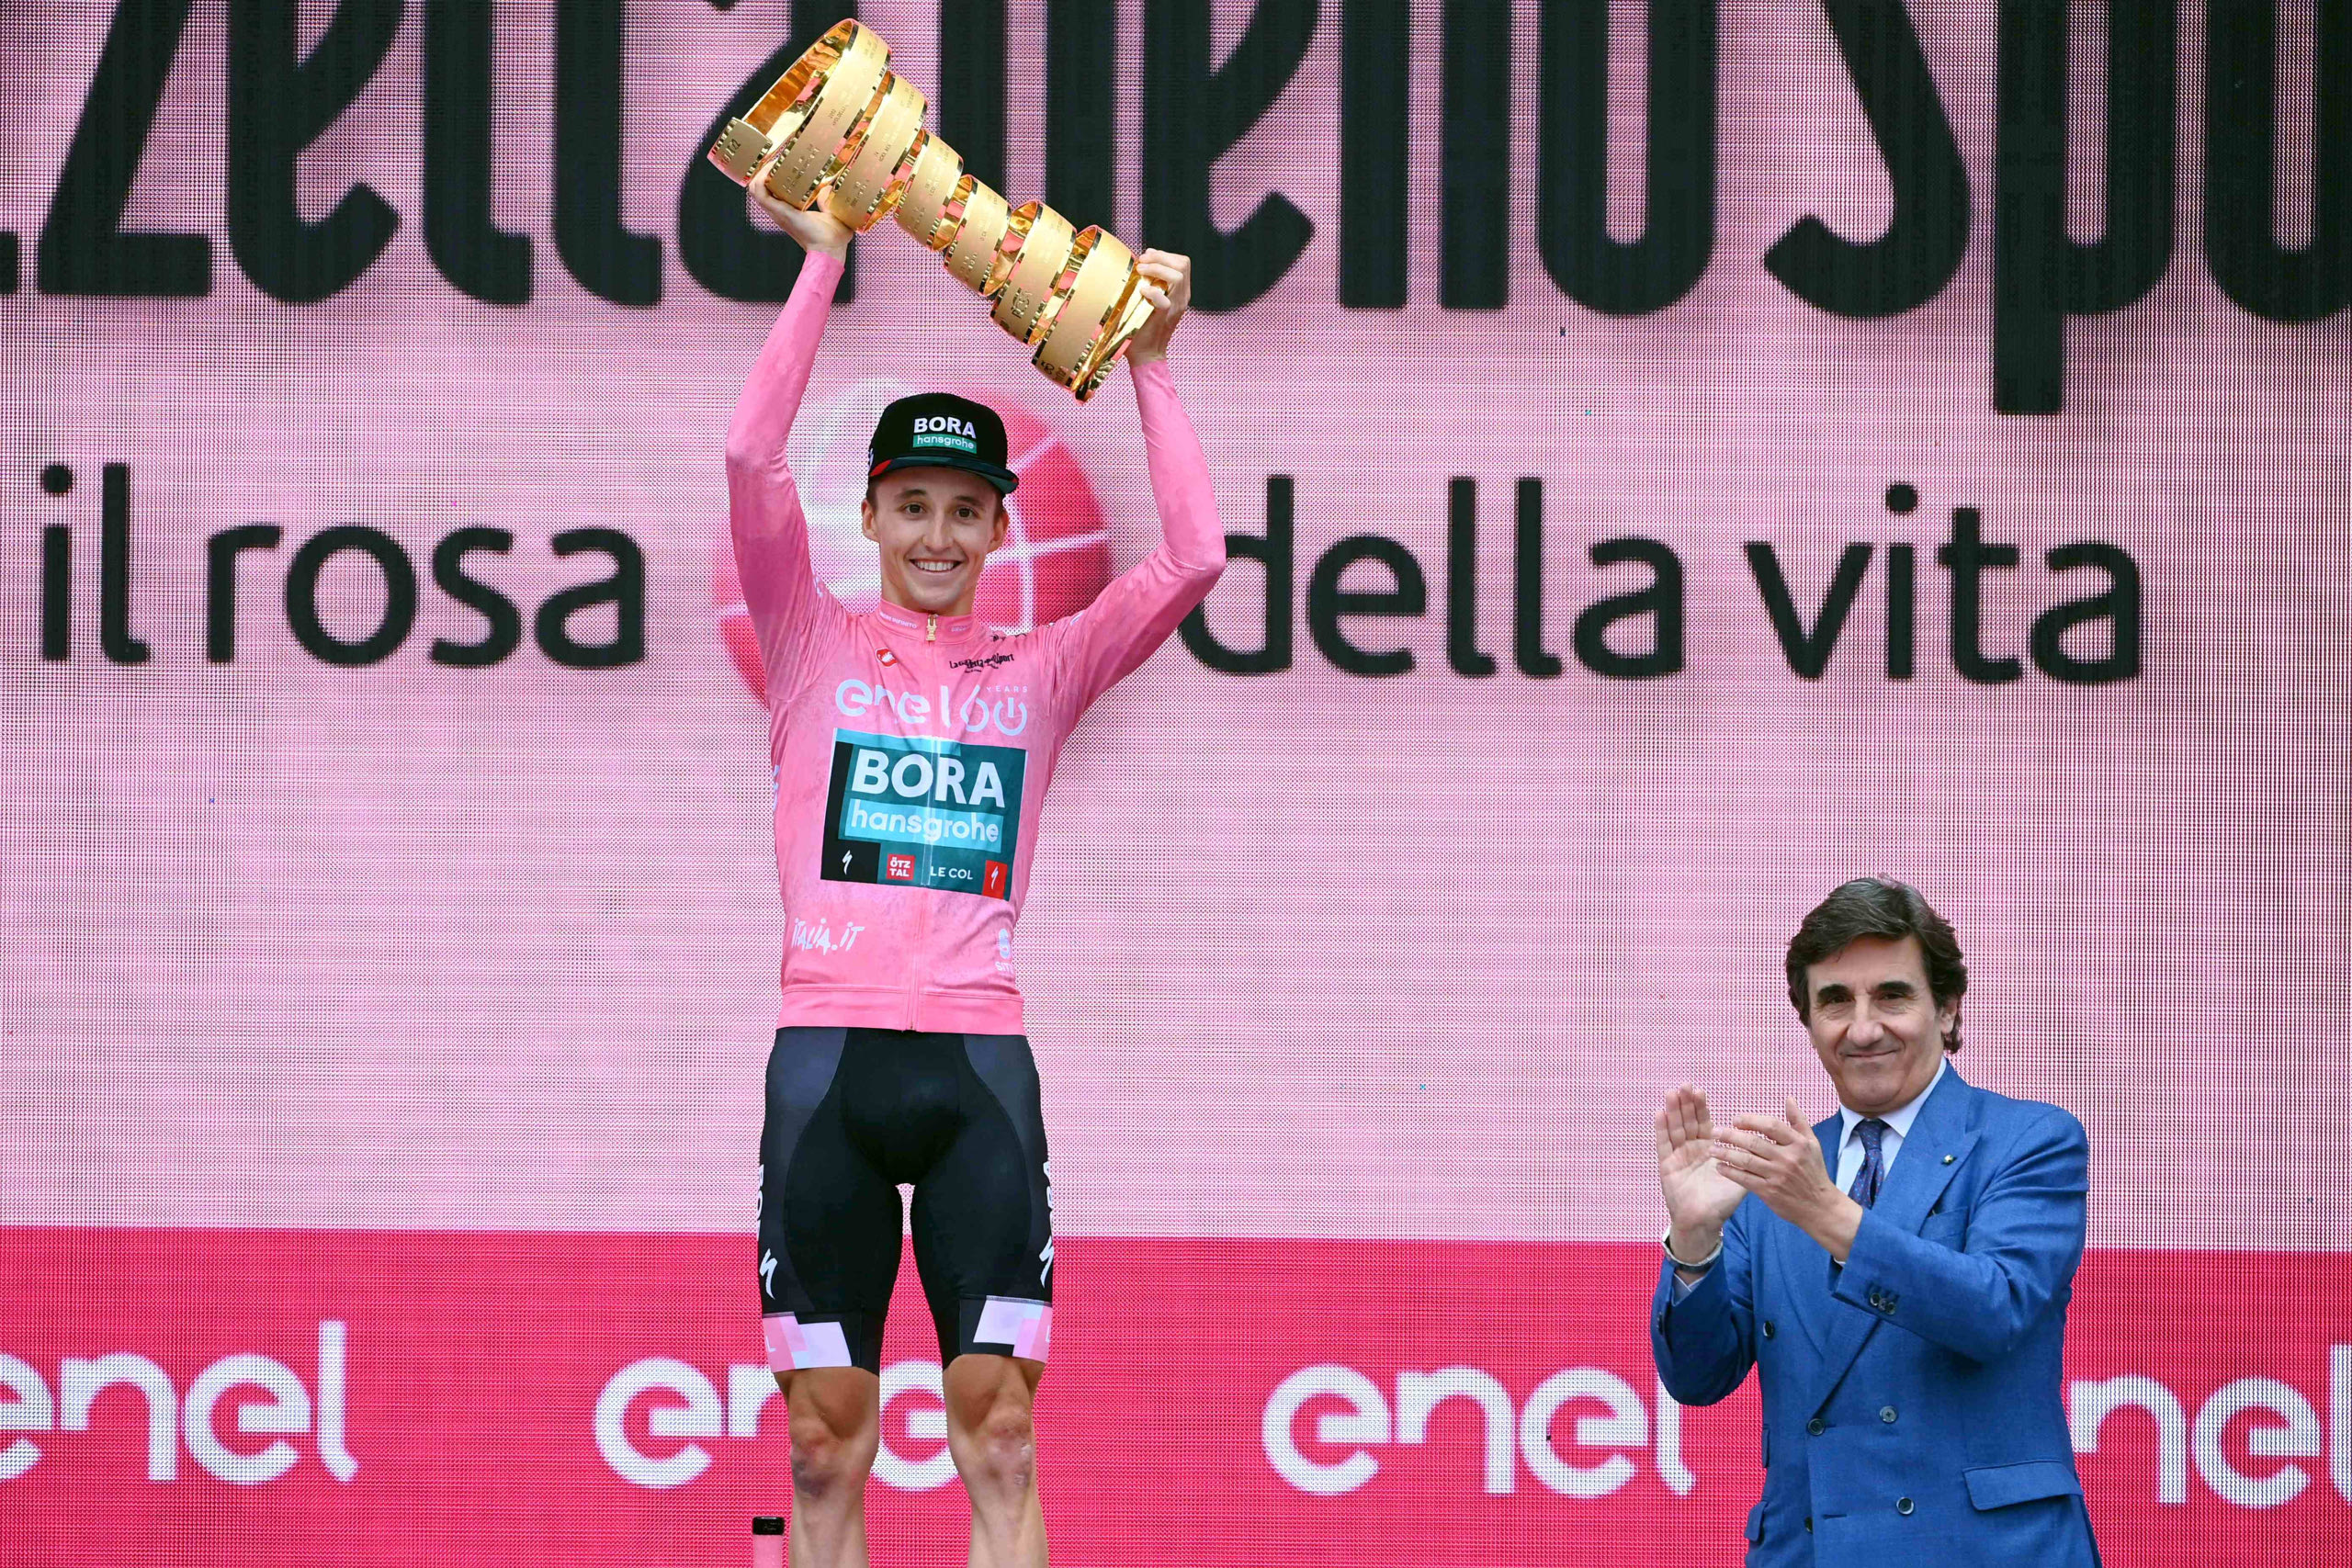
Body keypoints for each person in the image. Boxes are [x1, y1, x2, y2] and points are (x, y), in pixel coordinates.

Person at [727, 180, 1221, 1568]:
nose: (937, 536)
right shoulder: (807, 638)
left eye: (963, 510)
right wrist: (822, 265)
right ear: (871, 514)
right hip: (826, 1068)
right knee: (822, 1442)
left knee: (999, 1431)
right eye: (911, 507)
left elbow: (1195, 557)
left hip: (978, 1076)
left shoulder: (1044, 670)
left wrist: (1152, 363)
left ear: (1002, 529)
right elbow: (749, 455)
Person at [1650, 877, 2101, 1566]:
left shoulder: (2029, 1139)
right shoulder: (1777, 1172)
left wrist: (1829, 1213)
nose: (1863, 1028)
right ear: (1809, 1021)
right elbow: (1697, 1377)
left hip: (1988, 1551)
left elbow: (1996, 1308)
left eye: (1892, 995)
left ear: (1946, 1009)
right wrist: (1693, 1239)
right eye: (1836, 1000)